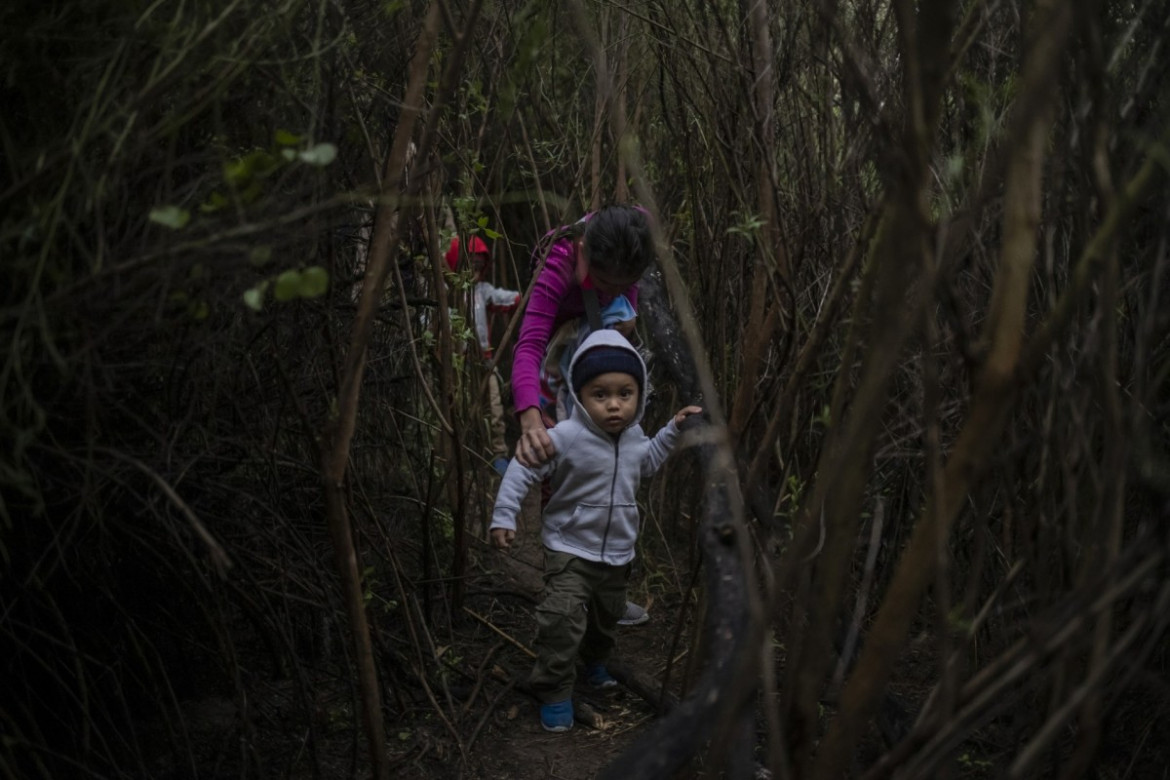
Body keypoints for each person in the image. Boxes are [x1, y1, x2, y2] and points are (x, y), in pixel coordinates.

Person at [490, 329, 702, 732]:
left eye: (625, 393)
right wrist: (504, 514)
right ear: (580, 395)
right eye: (600, 394)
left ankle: (595, 663)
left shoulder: (636, 437)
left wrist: (672, 429)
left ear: (638, 395)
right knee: (563, 617)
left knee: (606, 619)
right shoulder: (568, 436)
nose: (614, 405)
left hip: (618, 552)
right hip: (569, 547)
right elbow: (524, 465)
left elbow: (649, 461)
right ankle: (553, 690)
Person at [511, 204, 656, 625]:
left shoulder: (634, 232)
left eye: (623, 284)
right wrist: (530, 416)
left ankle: (606, 590)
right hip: (556, 373)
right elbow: (530, 343)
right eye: (602, 281)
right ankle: (564, 585)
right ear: (582, 250)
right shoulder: (559, 263)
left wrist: (625, 310)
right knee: (557, 471)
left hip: (602, 366)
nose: (611, 289)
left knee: (616, 463)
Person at [445, 235, 521, 475]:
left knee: (495, 408)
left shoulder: (482, 290)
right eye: (470, 264)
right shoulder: (444, 293)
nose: (476, 270)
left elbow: (505, 298)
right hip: (457, 363)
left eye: (480, 265)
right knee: (462, 409)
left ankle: (498, 454)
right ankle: (465, 458)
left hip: (485, 361)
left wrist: (528, 294)